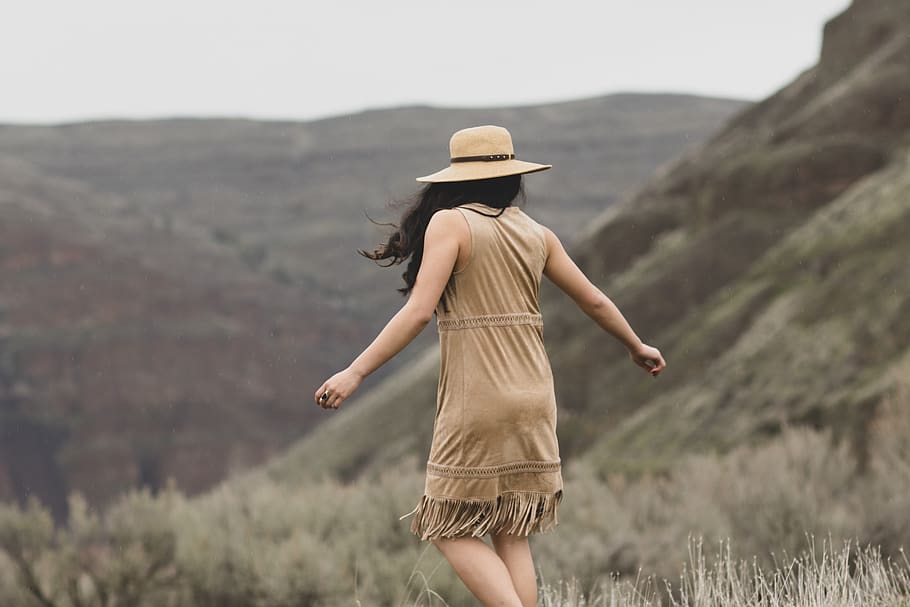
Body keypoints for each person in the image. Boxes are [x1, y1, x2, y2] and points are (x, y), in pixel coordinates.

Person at [313, 125, 666, 607]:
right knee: (509, 527)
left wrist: (354, 372)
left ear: (454, 180)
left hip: (479, 398)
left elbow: (418, 312)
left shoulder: (451, 224)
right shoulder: (536, 233)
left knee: (444, 523)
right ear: (511, 177)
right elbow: (596, 302)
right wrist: (636, 344)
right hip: (535, 398)